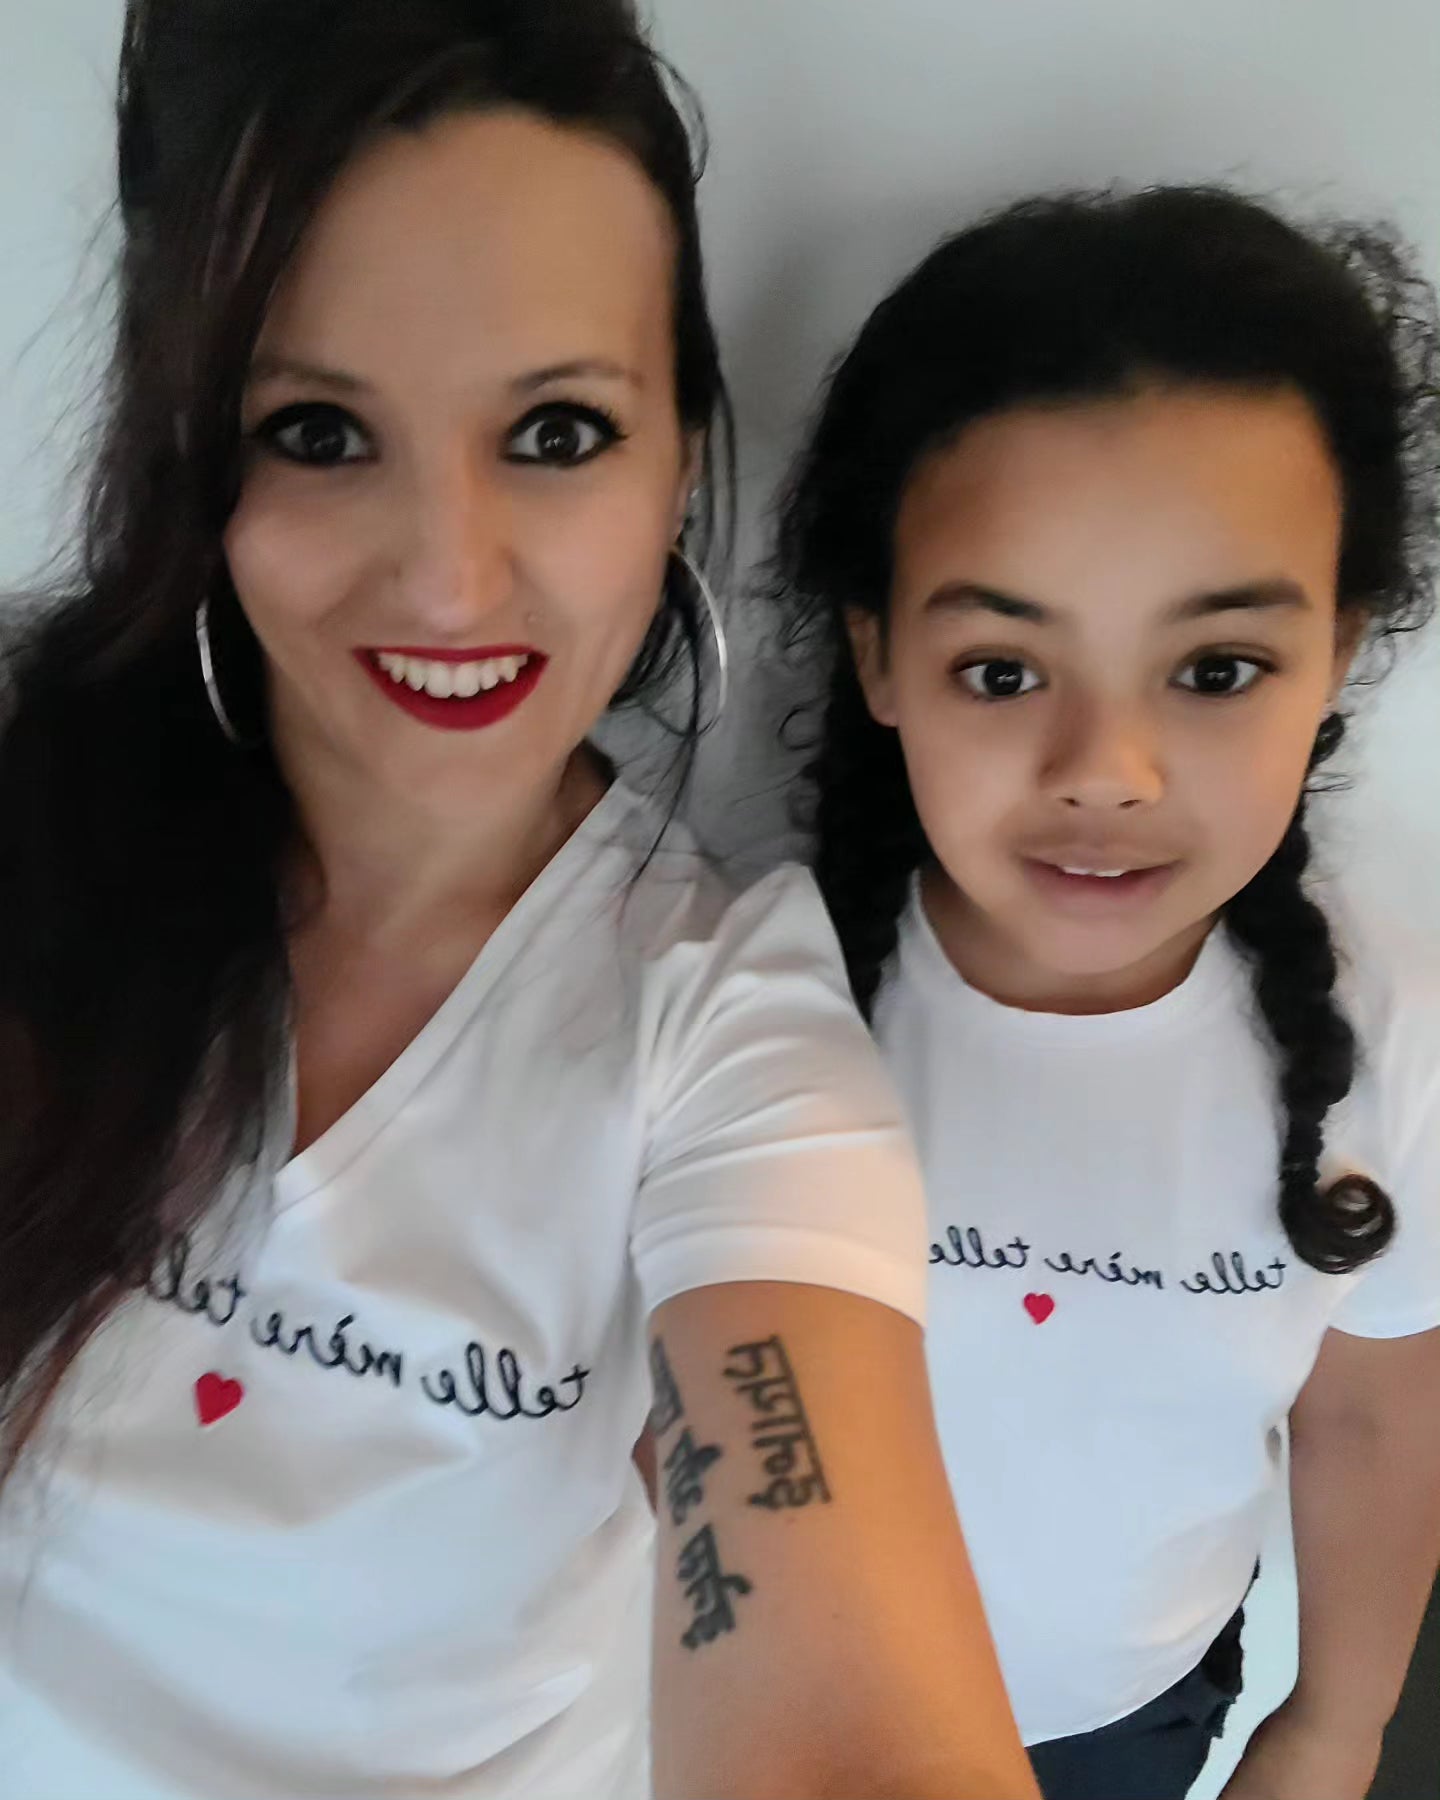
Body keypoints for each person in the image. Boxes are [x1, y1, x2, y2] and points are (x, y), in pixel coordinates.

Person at [0, 5, 1038, 1797]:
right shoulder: (43, 827)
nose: (448, 579)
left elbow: (841, 1707)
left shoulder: (725, 1037)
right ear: (201, 468)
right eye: (319, 431)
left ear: (679, 461)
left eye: (556, 432)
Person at [774, 185, 1440, 1800]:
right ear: (879, 656)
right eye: (1004, 671)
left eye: (1215, 670)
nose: (1108, 772)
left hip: (1122, 1725)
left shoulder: (1395, 1035)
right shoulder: (755, 993)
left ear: (1338, 653)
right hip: (768, 1716)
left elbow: (1369, 1420)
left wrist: (1333, 1726)